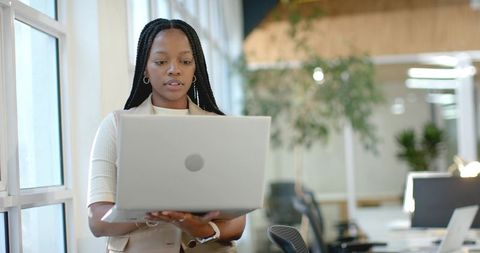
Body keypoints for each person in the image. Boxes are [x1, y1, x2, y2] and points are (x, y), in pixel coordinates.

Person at [87, 18, 245, 253]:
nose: (174, 69)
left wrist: (198, 227)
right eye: (161, 61)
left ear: (195, 69)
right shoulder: (116, 126)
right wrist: (150, 213)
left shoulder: (219, 127)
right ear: (145, 69)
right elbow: (97, 220)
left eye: (185, 61)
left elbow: (238, 223)